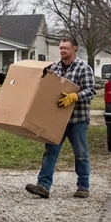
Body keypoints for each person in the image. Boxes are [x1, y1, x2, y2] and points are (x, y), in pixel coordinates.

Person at [26, 38, 96, 199]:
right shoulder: (54, 68)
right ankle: (43, 186)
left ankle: (83, 186)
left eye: (66, 48)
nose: (63, 51)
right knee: (50, 152)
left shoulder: (83, 68)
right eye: (61, 48)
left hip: (77, 119)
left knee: (81, 154)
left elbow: (91, 91)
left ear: (75, 49)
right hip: (57, 120)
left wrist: (75, 96)